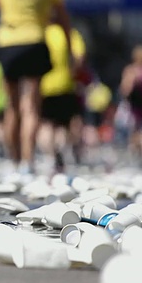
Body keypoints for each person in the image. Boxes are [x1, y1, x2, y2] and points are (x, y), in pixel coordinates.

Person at [0, 0, 72, 175]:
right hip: (35, 43)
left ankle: (13, 159)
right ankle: (28, 161)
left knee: (12, 106)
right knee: (31, 107)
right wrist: (68, 49)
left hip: (7, 42)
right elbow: (64, 21)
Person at [38, 23, 86, 174]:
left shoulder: (43, 32)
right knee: (67, 123)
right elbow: (80, 57)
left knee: (48, 124)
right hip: (65, 84)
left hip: (45, 86)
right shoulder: (70, 32)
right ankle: (64, 151)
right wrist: (73, 72)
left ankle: (51, 155)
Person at [119, 44, 142, 165]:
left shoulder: (132, 70)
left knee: (138, 130)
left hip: (134, 104)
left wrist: (125, 97)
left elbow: (125, 89)